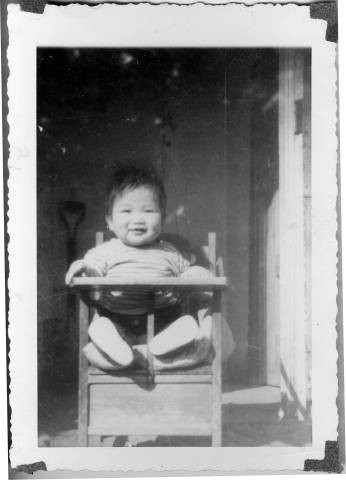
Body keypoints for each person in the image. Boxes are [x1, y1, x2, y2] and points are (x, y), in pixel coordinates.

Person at [65, 165, 234, 371]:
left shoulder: (170, 252)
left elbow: (187, 273)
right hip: (119, 320)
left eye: (148, 211)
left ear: (162, 219)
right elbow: (92, 271)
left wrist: (196, 273)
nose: (138, 219)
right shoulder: (104, 253)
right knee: (101, 326)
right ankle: (121, 351)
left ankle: (159, 347)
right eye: (126, 211)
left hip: (165, 320)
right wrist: (82, 268)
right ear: (109, 221)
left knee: (186, 323)